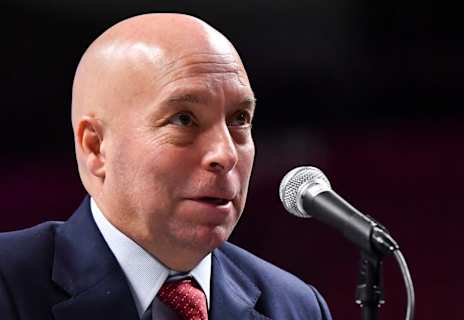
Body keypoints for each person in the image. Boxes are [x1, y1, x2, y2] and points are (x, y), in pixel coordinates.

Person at [0, 13, 332, 320]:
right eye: (184, 119)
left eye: (239, 119)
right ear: (96, 147)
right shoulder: (9, 283)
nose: (226, 154)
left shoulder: (297, 306)